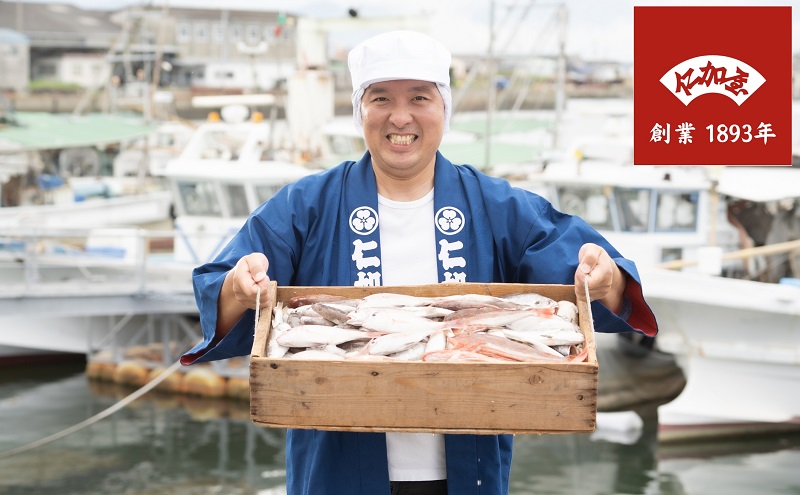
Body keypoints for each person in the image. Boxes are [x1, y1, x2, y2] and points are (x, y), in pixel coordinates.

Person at [181, 30, 658, 495]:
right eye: (381, 98)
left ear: (444, 109)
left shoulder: (497, 206)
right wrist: (239, 289)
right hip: (335, 470)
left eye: (420, 98)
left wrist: (608, 278)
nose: (401, 117)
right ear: (359, 110)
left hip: (465, 472)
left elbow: (588, 279)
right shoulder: (305, 205)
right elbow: (225, 287)